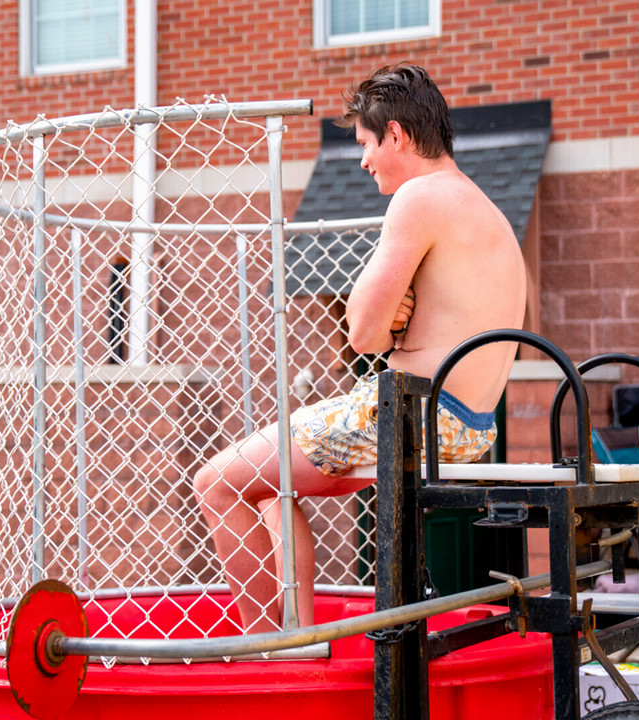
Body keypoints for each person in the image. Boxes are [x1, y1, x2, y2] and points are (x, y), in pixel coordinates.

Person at [194, 64, 527, 634]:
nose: (365, 160)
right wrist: (399, 323)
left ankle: (265, 646)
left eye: (367, 144)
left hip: (410, 414)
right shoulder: (483, 209)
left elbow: (363, 334)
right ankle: (291, 632)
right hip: (467, 424)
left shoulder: (419, 197)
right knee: (270, 484)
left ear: (395, 134)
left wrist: (388, 324)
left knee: (217, 481)